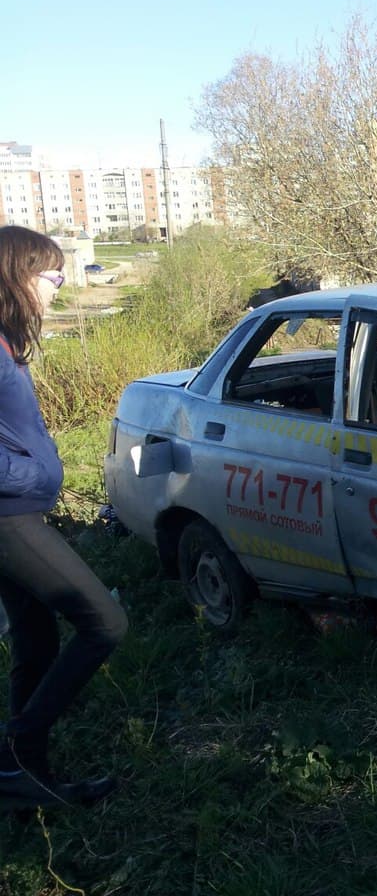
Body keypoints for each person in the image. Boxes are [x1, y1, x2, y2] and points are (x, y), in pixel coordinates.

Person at [0, 226, 127, 810]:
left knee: (36, 641)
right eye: (51, 277)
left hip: (17, 514)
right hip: (9, 521)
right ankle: (19, 745)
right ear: (17, 274)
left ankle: (24, 781)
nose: (57, 288)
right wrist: (40, 477)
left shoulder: (5, 344)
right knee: (105, 622)